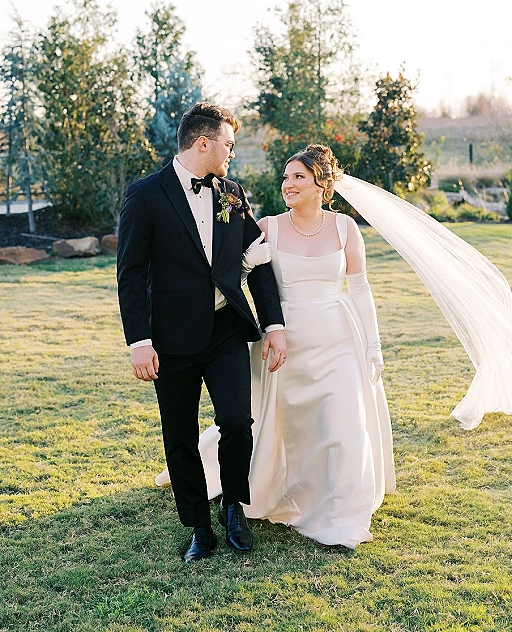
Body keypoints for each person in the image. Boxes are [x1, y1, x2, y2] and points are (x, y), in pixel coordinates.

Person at [156, 144, 397, 549]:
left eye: (298, 177)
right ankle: (259, 492)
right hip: (281, 341)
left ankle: (340, 510)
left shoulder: (345, 229)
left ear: (322, 184)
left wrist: (373, 345)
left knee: (340, 425)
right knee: (280, 424)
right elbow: (235, 272)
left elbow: (360, 288)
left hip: (337, 337)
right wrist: (248, 270)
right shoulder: (268, 226)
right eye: (285, 177)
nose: (288, 183)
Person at [117, 102, 287, 563]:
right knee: (179, 435)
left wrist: (274, 324)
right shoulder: (146, 194)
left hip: (225, 330)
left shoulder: (232, 193)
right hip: (169, 339)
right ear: (204, 142)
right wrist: (139, 341)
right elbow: (131, 273)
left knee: (236, 420)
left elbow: (260, 260)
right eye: (228, 144)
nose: (232, 153)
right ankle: (198, 525)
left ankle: (234, 505)